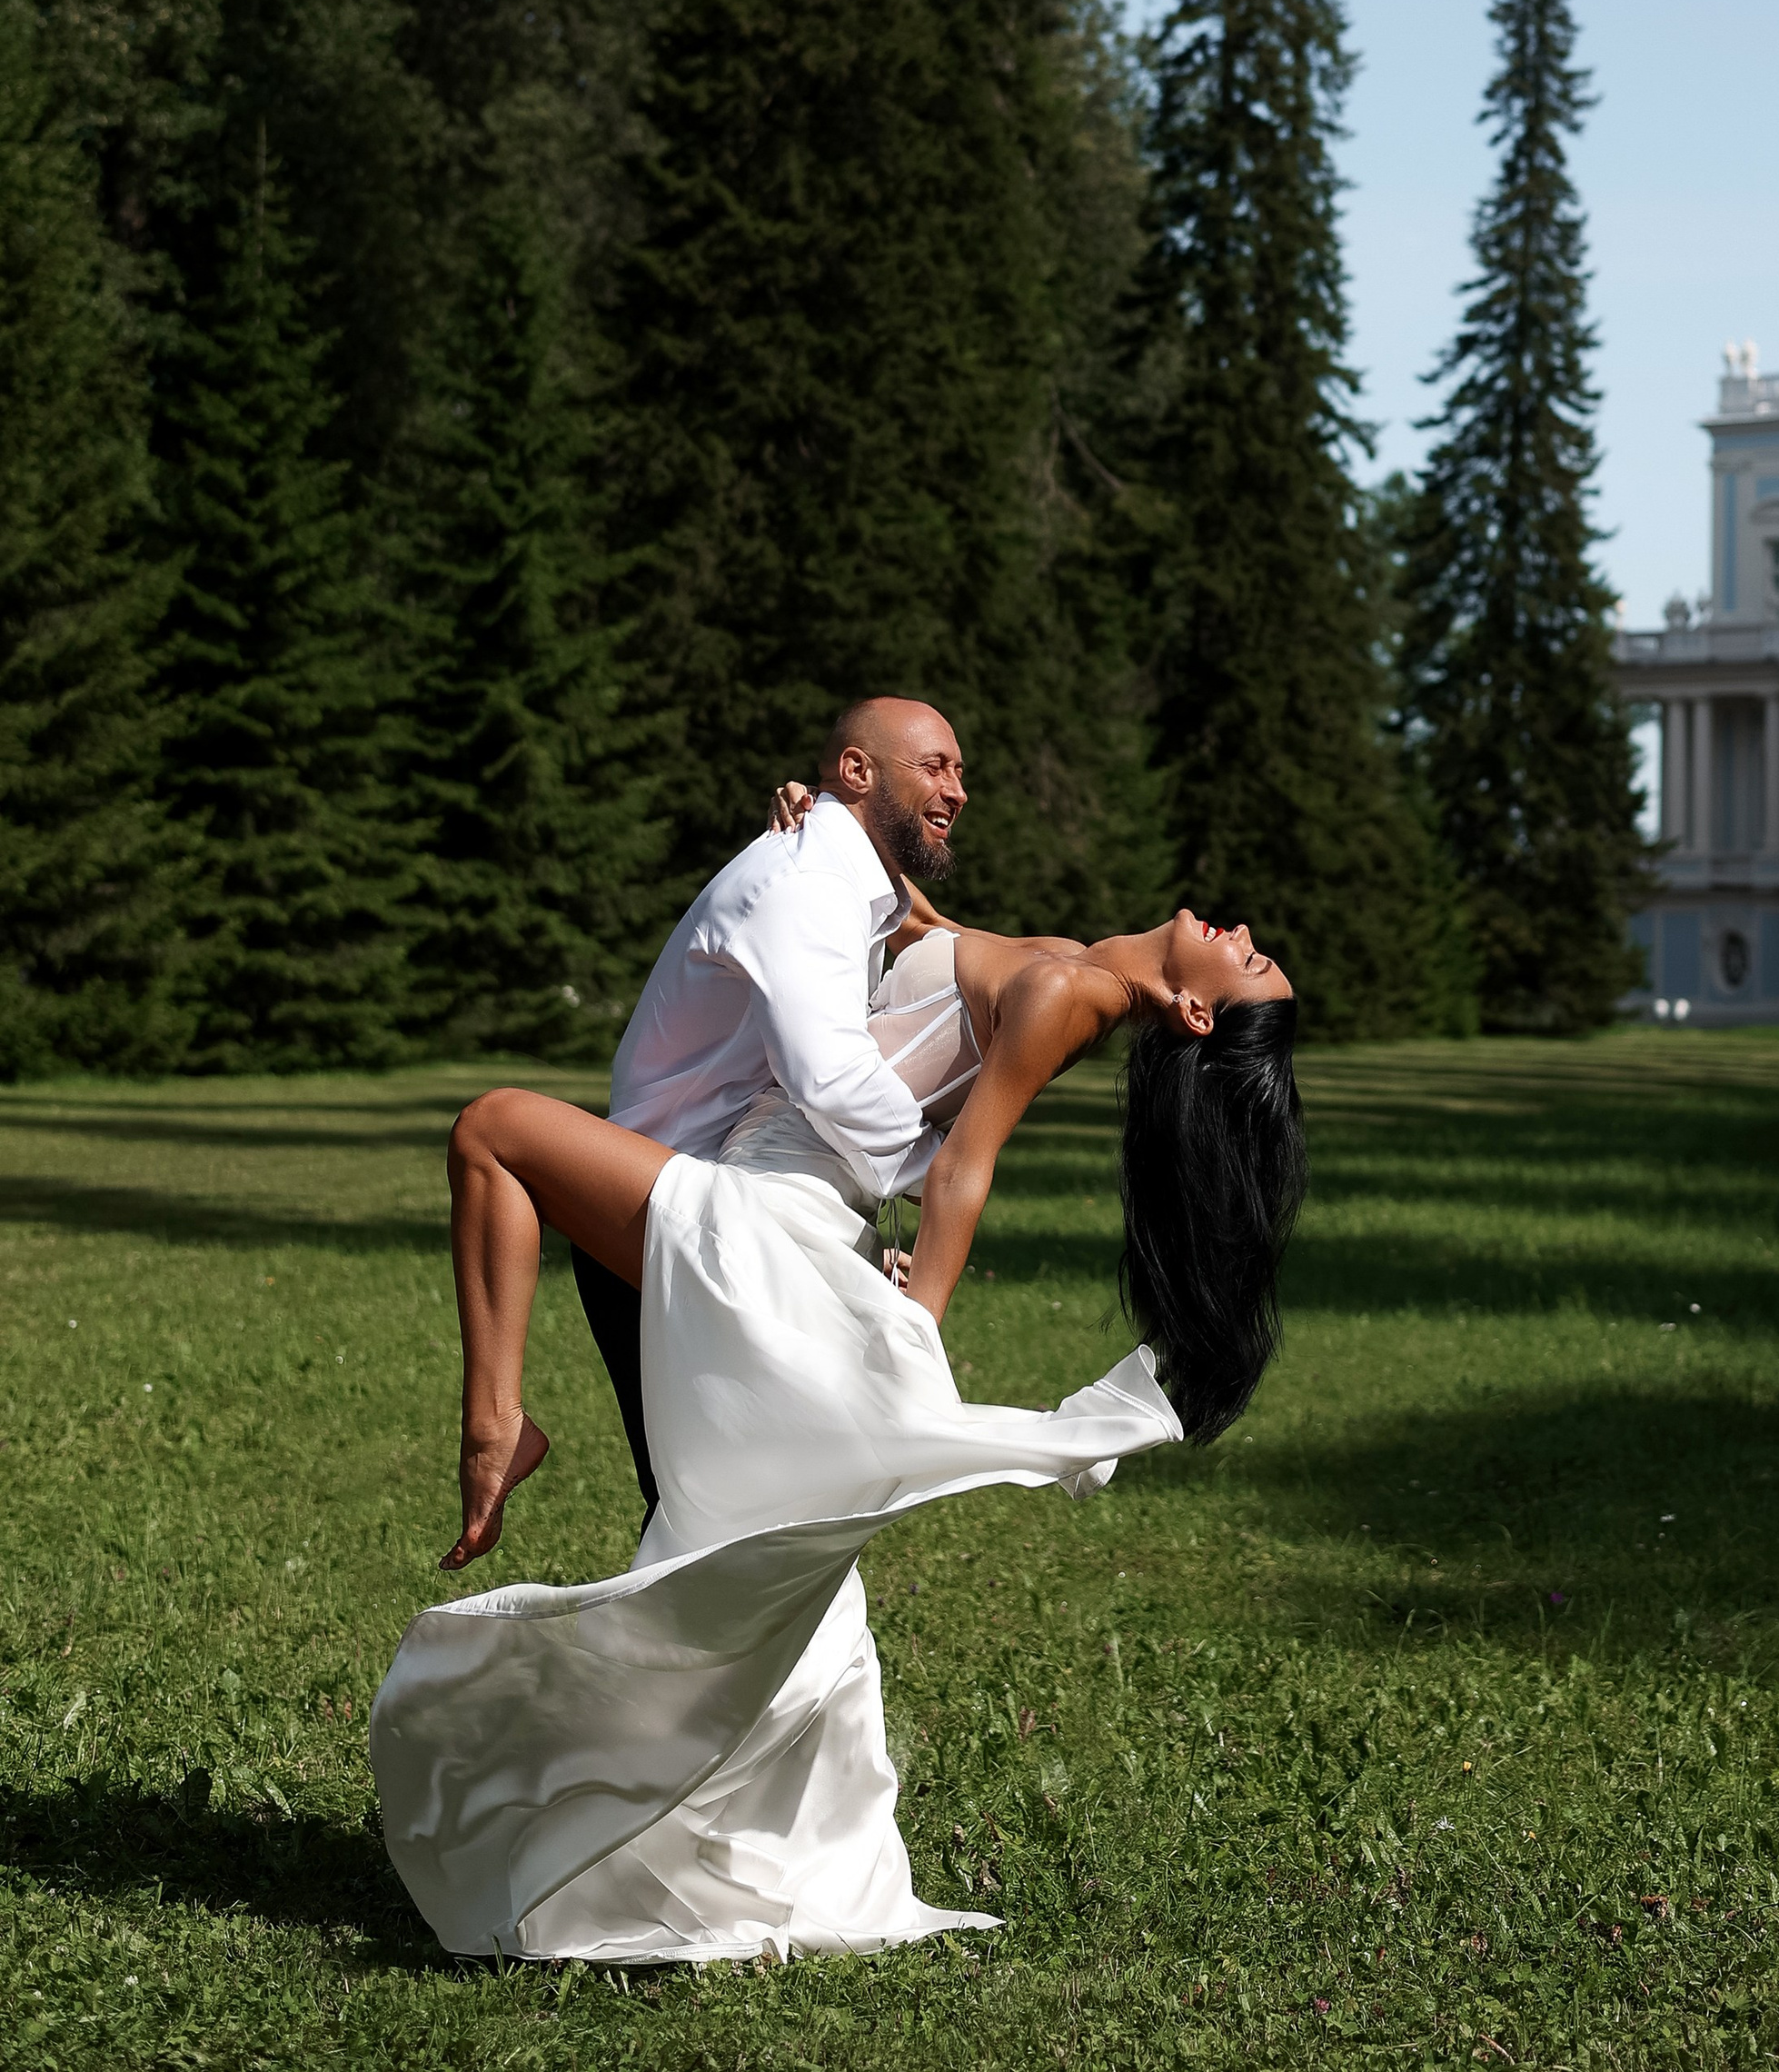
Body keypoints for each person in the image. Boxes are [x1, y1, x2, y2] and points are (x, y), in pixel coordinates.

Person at [370, 781, 1307, 1959]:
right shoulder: (1064, 962)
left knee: (494, 1129)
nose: (1241, 932)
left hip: (770, 1222)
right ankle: (706, 1827)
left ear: (1195, 1013)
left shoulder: (1074, 989)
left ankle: (497, 1426)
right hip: (786, 1213)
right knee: (726, 1546)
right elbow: (905, 930)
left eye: (1249, 961)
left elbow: (963, 1167)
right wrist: (827, 839)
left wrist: (913, 1318)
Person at [565, 697, 972, 1522]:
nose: (958, 789)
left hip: (724, 1214)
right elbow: (827, 1077)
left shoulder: (847, 883)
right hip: (656, 1220)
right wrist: (945, 1176)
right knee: (713, 1510)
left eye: (960, 771)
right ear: (856, 771)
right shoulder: (808, 881)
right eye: (935, 766)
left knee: (756, 1501)